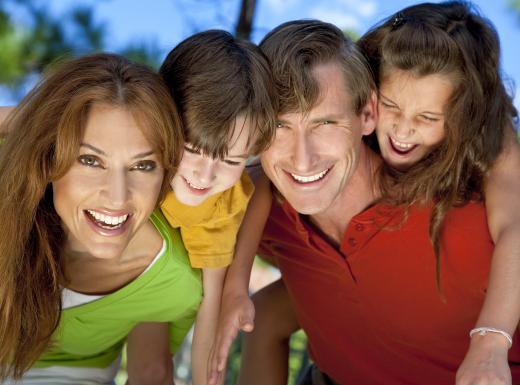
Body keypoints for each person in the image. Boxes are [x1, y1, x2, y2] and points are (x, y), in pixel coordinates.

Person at [209, 5, 520, 384]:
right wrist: (234, 285)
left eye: (324, 122)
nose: (302, 158)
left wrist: (491, 341)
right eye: (279, 126)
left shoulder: (474, 202)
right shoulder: (261, 206)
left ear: (364, 114)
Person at [0, 53, 199, 385]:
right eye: (90, 160)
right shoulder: (9, 203)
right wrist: (31, 123)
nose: (117, 197)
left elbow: (151, 372)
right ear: (48, 158)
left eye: (143, 165)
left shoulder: (174, 280)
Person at [127, 29, 277, 385]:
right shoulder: (131, 141)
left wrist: (206, 379)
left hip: (157, 308)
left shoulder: (221, 207)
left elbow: (211, 305)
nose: (205, 175)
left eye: (230, 161)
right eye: (192, 149)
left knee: (153, 372)